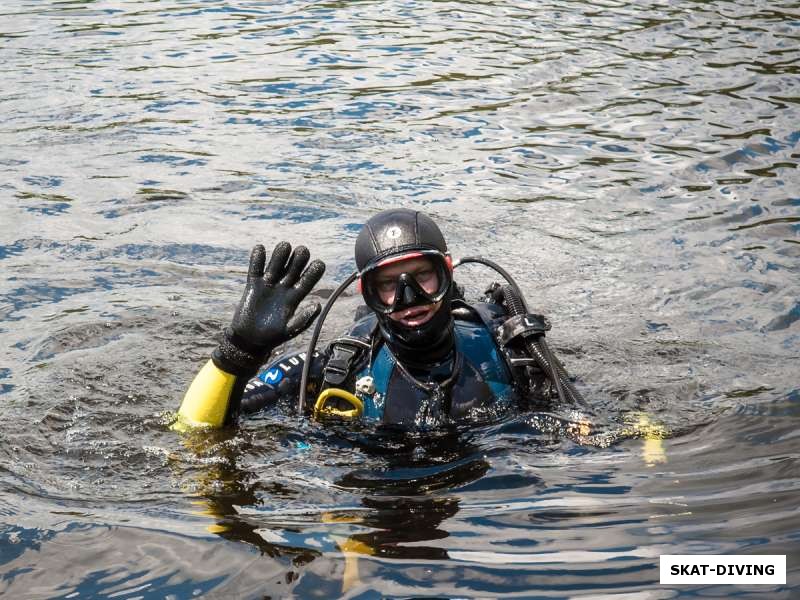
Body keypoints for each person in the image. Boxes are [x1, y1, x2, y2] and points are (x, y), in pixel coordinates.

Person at [178, 208, 580, 430]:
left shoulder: (505, 346)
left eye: (422, 276)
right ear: (365, 292)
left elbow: (593, 420)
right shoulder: (339, 367)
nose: (408, 298)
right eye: (387, 284)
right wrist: (236, 353)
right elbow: (192, 429)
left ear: (446, 273)